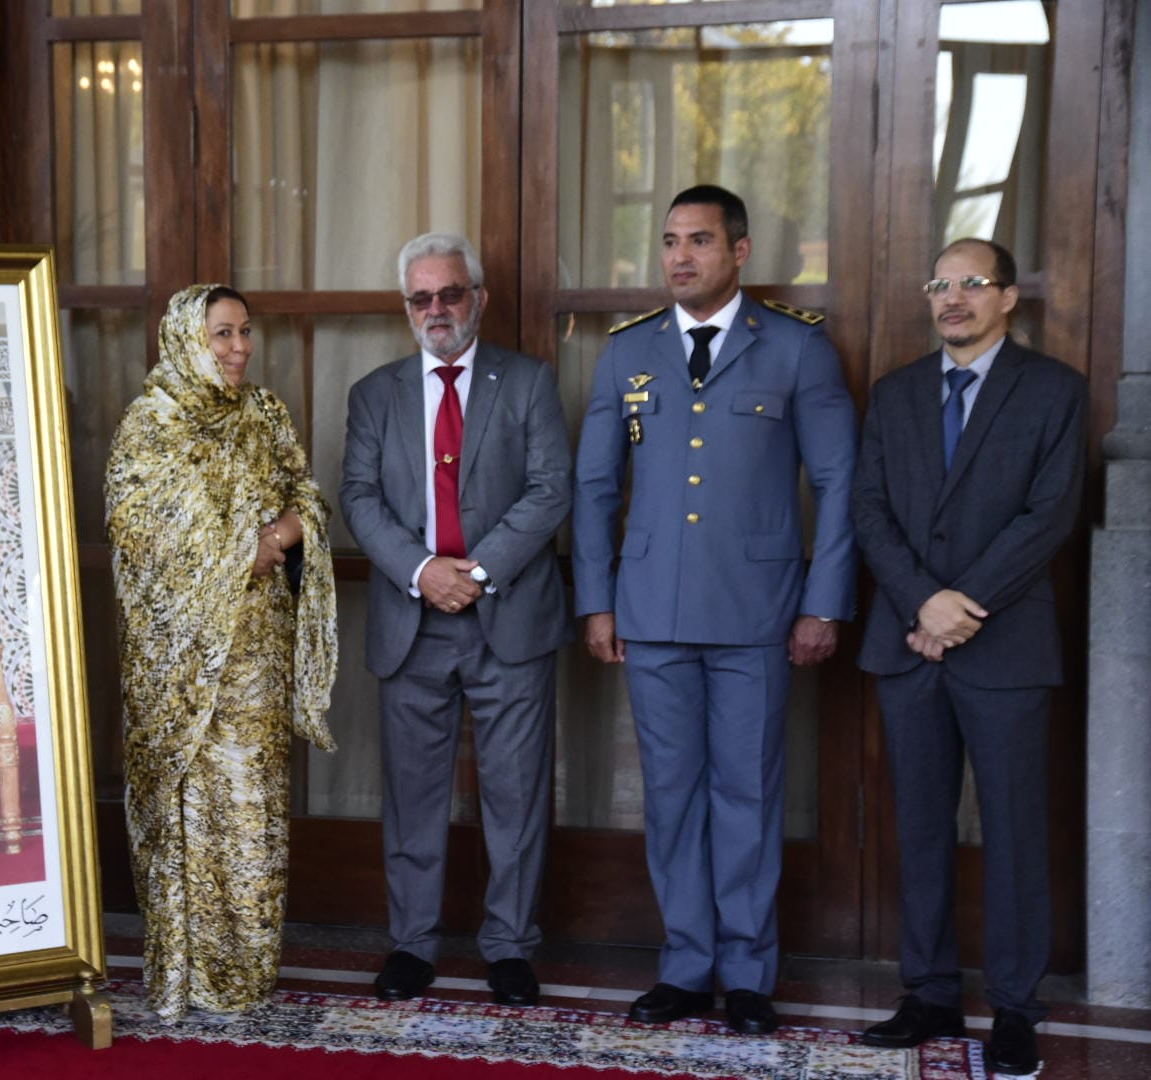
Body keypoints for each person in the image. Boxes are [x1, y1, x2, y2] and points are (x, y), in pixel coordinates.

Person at [572, 185, 857, 1034]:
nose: (679, 257)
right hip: (651, 611)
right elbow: (594, 488)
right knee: (670, 796)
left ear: (740, 251)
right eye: (668, 241)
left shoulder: (798, 351)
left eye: (698, 240)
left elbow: (839, 484)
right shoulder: (627, 353)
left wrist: (824, 603)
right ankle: (686, 965)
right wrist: (597, 601)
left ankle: (746, 972)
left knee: (747, 795)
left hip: (758, 615)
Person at [851, 238, 1086, 1076]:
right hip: (911, 647)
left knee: (1016, 833)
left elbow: (1049, 515)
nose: (953, 298)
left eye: (972, 284)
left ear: (1009, 298)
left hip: (1005, 648)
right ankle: (931, 994)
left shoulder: (1055, 390)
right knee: (920, 829)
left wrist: (957, 607)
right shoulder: (894, 395)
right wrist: (923, 602)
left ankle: (1016, 1008)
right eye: (941, 285)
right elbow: (869, 511)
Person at [340, 232, 572, 1008]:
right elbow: (359, 500)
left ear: (478, 298)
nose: (436, 309)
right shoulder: (374, 394)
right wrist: (421, 571)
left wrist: (474, 572)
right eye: (420, 298)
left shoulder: (530, 382)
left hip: (509, 617)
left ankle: (509, 947)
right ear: (406, 307)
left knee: (515, 794)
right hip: (412, 621)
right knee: (412, 795)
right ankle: (412, 945)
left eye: (450, 294)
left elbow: (550, 491)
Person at [106, 283, 338, 1021]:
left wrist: (279, 537)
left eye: (243, 333)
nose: (238, 348)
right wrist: (248, 543)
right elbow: (141, 535)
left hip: (258, 654)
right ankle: (190, 973)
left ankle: (245, 974)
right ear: (186, 338)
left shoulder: (265, 413)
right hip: (180, 666)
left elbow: (308, 494)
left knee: (254, 815)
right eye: (221, 335)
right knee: (192, 814)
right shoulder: (151, 426)